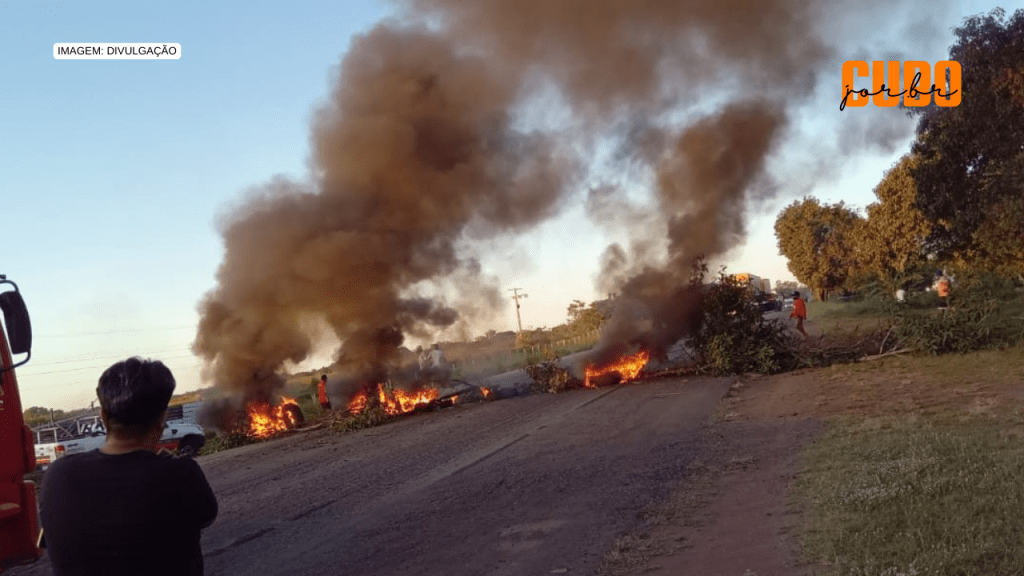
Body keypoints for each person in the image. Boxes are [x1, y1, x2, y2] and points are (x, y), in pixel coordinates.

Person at [40, 358, 218, 576]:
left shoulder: (58, 475)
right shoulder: (181, 474)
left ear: (103, 417)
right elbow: (205, 517)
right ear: (162, 420)